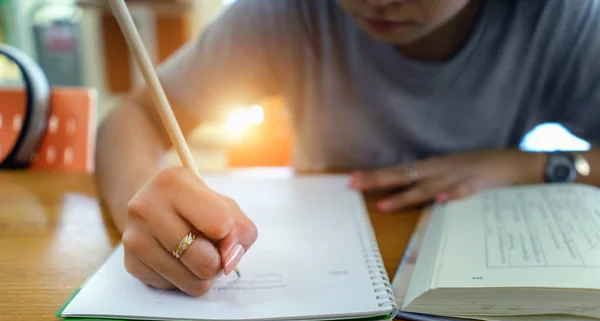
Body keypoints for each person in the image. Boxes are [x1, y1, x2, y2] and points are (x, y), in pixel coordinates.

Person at [95, 0, 600, 296]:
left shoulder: (563, 18)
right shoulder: (289, 12)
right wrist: (147, 212)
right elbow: (132, 118)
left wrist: (535, 165)